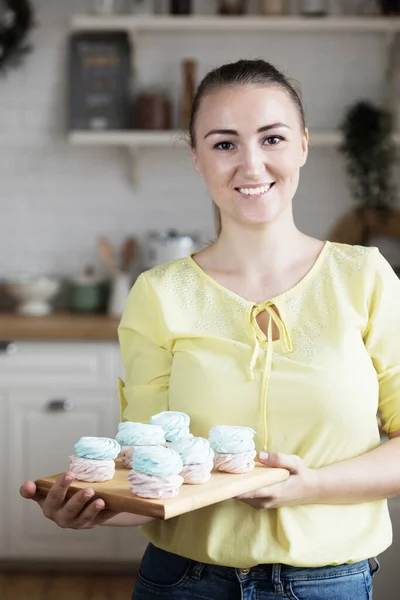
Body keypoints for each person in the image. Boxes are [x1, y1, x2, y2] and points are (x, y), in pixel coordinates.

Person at [20, 59, 400, 600]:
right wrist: (95, 507)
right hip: (183, 581)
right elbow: (153, 470)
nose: (251, 164)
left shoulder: (366, 278)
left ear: (303, 147)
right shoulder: (160, 293)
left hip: (329, 582)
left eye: (272, 138)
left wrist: (308, 488)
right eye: (224, 144)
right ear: (196, 158)